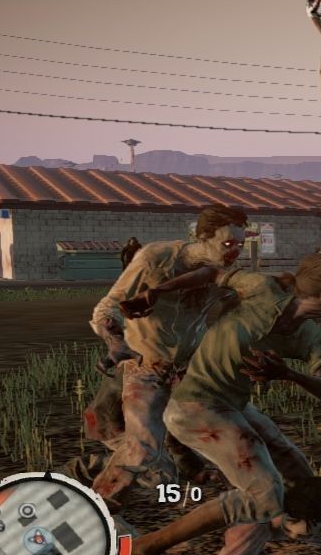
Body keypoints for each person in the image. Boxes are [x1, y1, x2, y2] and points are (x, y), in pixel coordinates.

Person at [119, 253, 321, 555]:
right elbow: (213, 272)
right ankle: (148, 548)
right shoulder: (261, 289)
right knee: (264, 494)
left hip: (233, 406)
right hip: (194, 407)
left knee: (295, 470)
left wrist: (288, 374)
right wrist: (157, 291)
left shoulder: (309, 335)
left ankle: (263, 536)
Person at [87, 204, 246, 525]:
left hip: (187, 369)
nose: (235, 251)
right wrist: (115, 342)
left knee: (228, 425)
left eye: (241, 244)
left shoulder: (222, 273)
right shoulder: (156, 258)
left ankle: (251, 495)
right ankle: (96, 510)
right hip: (145, 367)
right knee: (142, 450)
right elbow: (107, 308)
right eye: (228, 243)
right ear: (202, 237)